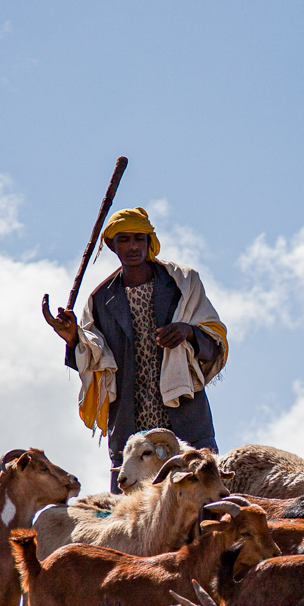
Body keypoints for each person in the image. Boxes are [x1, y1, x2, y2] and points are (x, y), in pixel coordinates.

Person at [44, 206, 228, 492]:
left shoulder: (182, 283)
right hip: (130, 421)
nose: (133, 246)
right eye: (125, 239)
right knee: (133, 519)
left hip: (183, 416)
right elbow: (93, 356)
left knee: (202, 503)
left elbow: (214, 339)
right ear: (112, 245)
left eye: (139, 239)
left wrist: (188, 332)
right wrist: (72, 338)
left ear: (149, 241)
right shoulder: (100, 300)